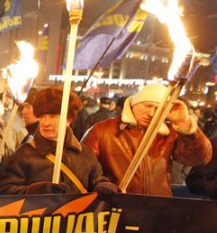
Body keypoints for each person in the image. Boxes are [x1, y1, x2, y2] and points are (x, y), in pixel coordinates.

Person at [82, 83, 212, 196]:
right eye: (147, 106)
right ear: (134, 104)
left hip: (157, 209)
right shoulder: (102, 130)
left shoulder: (168, 133)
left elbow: (200, 158)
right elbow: (85, 167)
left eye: (158, 109)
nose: (152, 113)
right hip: (117, 206)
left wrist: (184, 123)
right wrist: (102, 184)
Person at [0, 87, 116, 195]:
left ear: (68, 119)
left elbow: (96, 179)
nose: (46, 123)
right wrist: (37, 191)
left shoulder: (84, 153)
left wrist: (103, 186)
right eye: (42, 116)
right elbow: (4, 191)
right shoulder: (24, 154)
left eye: (53, 117)